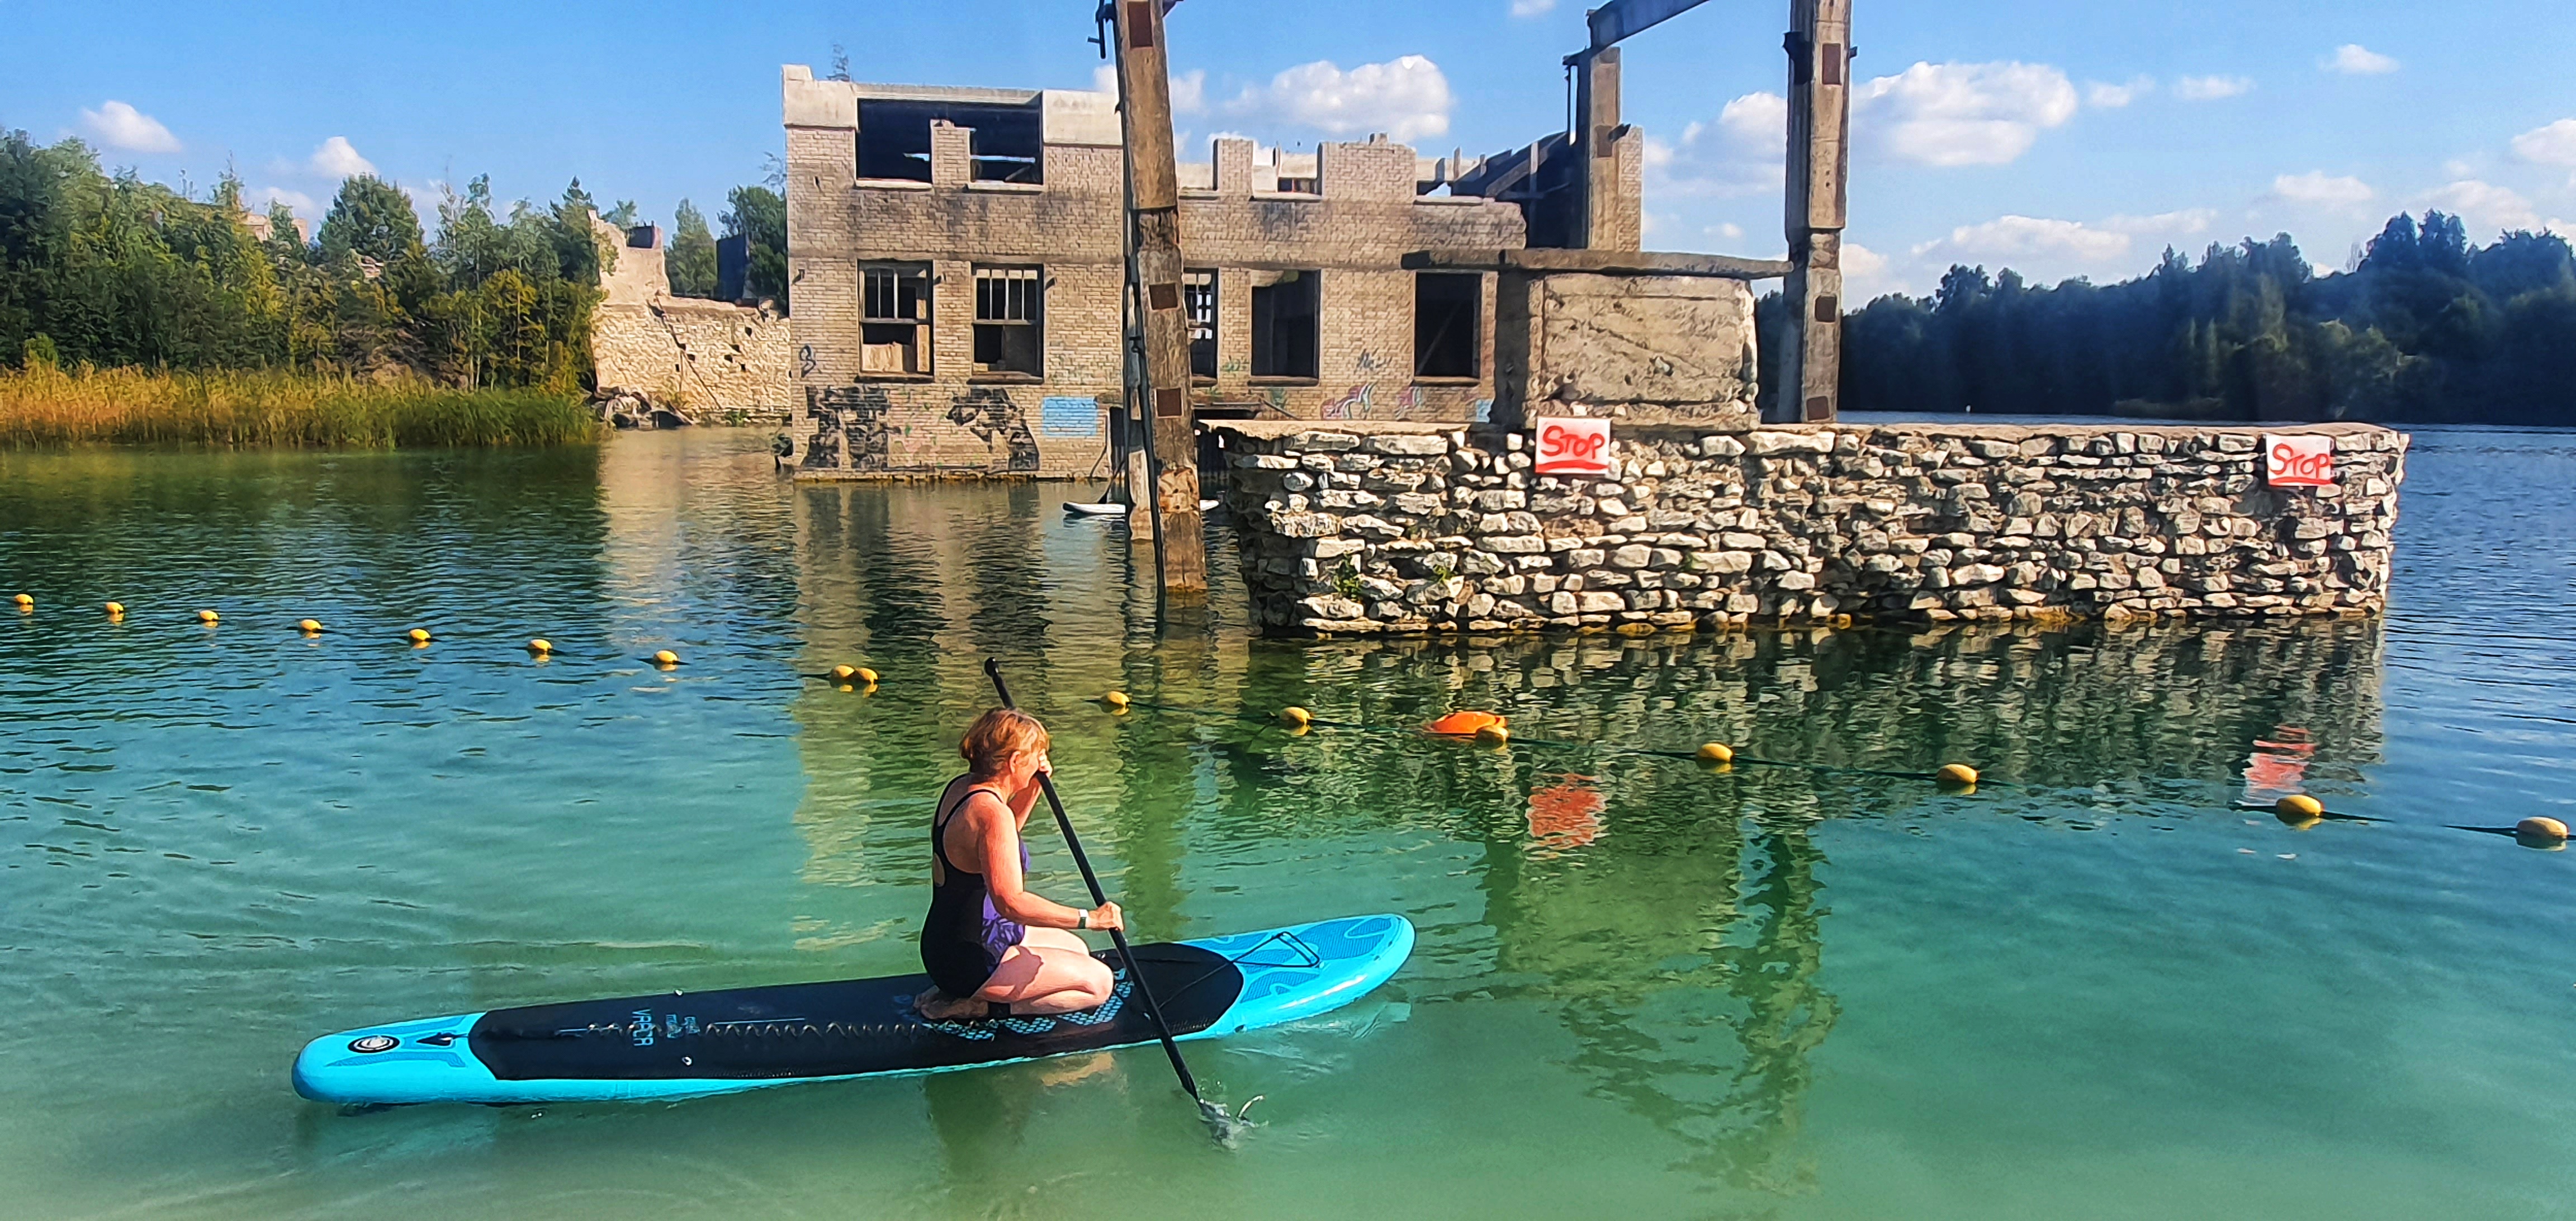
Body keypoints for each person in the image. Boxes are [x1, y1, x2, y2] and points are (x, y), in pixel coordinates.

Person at [915, 708, 1124, 1020]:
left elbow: (1002, 841)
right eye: (1036, 755)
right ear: (1014, 762)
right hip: (973, 959)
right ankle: (980, 1005)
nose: (1040, 761)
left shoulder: (963, 788)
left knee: (1078, 950)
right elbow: (1011, 903)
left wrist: (1036, 785)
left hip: (947, 942)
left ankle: (963, 989)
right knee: (1098, 984)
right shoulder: (991, 814)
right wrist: (1090, 918)